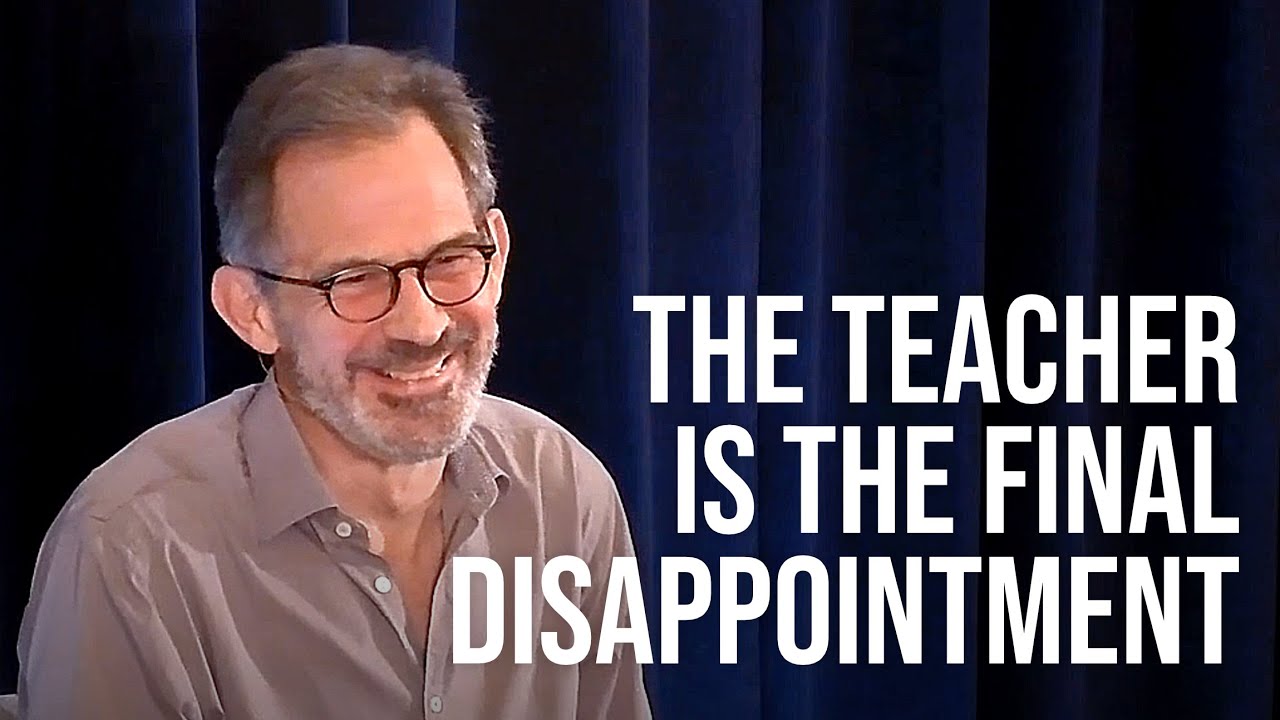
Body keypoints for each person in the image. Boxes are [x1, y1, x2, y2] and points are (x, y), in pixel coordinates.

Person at [15, 43, 652, 720]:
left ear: (495, 258)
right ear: (252, 312)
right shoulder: (131, 551)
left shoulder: (565, 493)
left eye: (450, 260)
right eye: (354, 280)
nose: (422, 324)